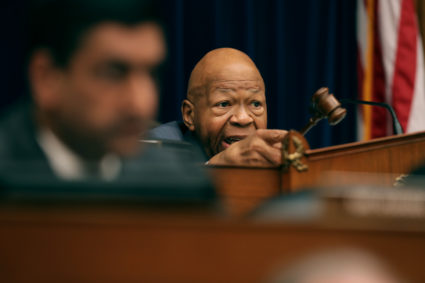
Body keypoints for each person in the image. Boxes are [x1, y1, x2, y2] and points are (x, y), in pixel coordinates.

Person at [0, 0, 181, 181]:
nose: (141, 103)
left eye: (153, 74)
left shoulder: (176, 179)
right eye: (113, 74)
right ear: (46, 78)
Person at [150, 48, 287, 167]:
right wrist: (216, 166)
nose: (243, 118)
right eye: (224, 104)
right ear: (190, 115)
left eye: (255, 104)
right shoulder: (155, 149)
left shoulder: (271, 158)